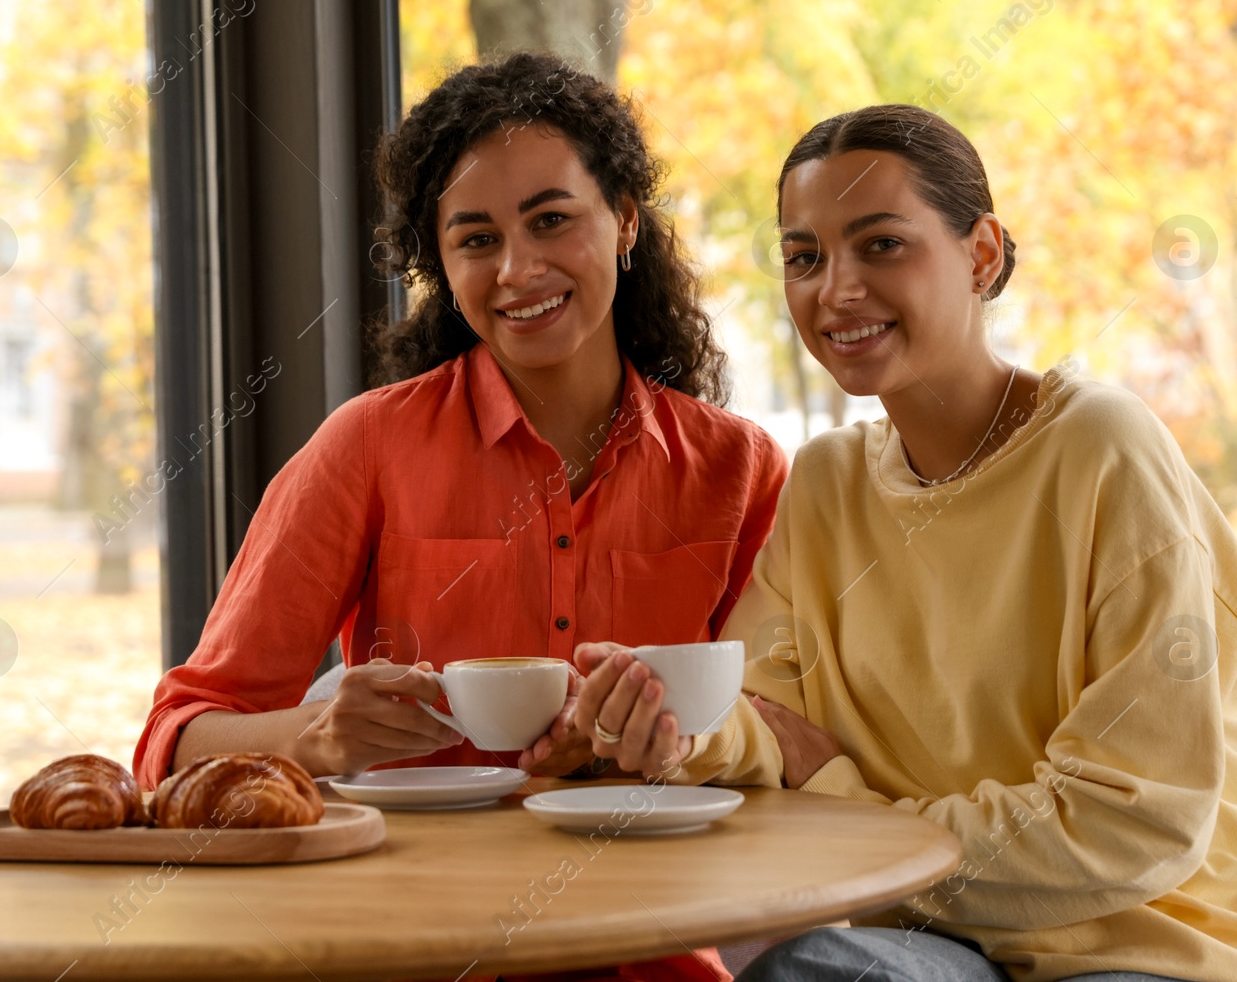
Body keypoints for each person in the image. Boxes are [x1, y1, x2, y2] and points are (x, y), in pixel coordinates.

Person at [571, 105, 1237, 982]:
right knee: (813, 971)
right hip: (958, 947)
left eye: (880, 244)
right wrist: (669, 727)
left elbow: (1134, 826)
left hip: (1172, 943)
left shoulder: (1103, 450)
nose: (835, 288)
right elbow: (763, 728)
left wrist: (845, 795)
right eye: (804, 257)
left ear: (982, 254)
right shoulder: (828, 484)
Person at [133, 52, 786, 982]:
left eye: (552, 220)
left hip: (650, 949)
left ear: (627, 221)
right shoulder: (367, 447)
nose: (519, 269)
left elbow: (785, 736)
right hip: (405, 947)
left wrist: (663, 747)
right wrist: (315, 739)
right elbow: (173, 741)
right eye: (476, 238)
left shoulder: (741, 469)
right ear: (439, 262)